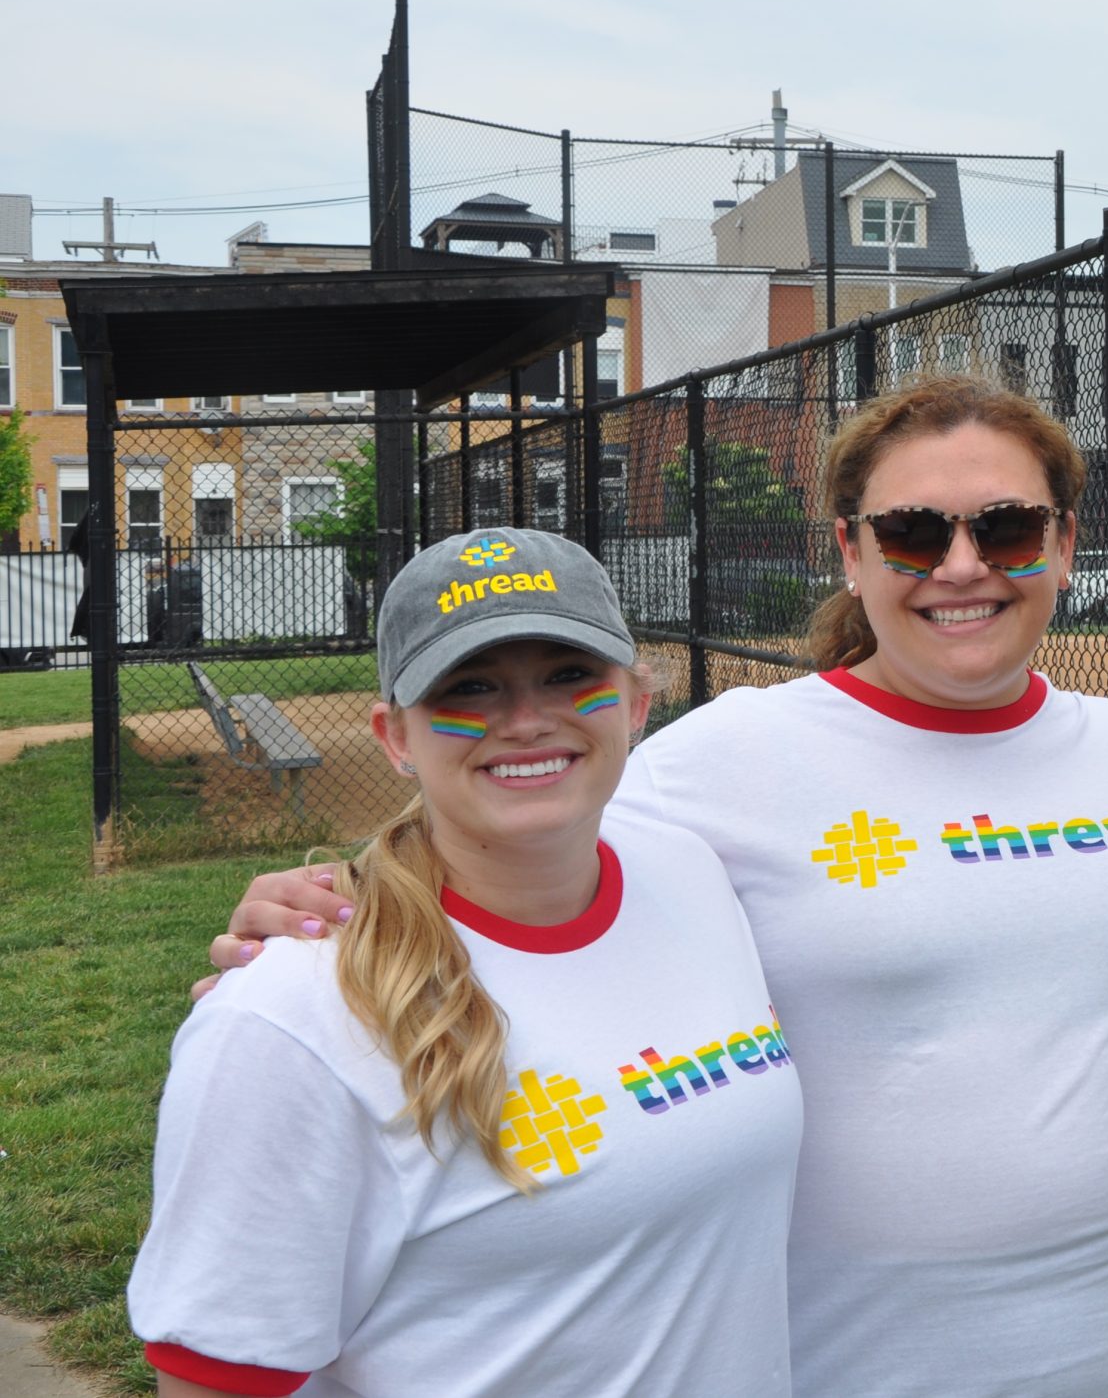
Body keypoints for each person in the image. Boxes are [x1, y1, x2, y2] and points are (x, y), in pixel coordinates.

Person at [212, 379, 1108, 1398]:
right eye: (912, 531)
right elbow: (514, 833)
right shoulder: (722, 762)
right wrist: (324, 923)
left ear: (1065, 539)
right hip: (835, 1366)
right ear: (850, 550)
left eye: (1006, 527)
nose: (961, 564)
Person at [131, 527, 802, 1397]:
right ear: (394, 734)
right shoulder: (290, 1016)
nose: (525, 721)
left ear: (637, 702)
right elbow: (214, 1378)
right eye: (469, 687)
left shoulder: (691, 872)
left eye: (570, 675)